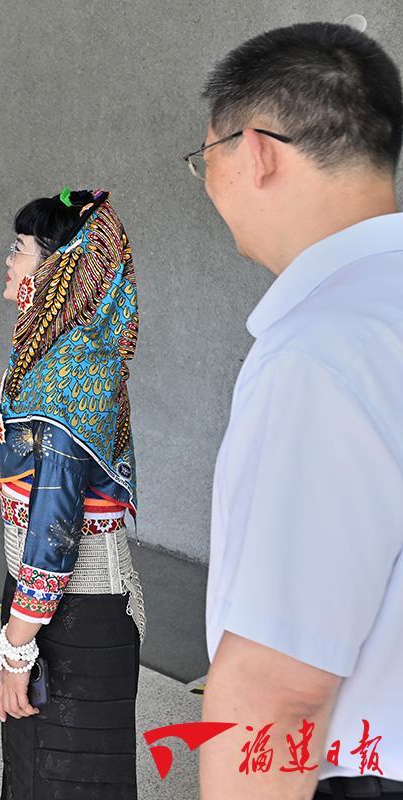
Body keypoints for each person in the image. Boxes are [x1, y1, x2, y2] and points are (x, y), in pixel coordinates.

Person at [195, 22, 403, 800]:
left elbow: (278, 690)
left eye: (204, 161)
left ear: (256, 151)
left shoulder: (321, 354)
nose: (208, 185)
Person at [0, 188, 144, 800]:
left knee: (62, 778)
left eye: (20, 248)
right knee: (36, 771)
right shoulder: (58, 352)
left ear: (61, 269)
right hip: (47, 605)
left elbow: (55, 531)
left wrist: (16, 650)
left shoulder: (69, 371)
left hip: (77, 615)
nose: (9, 259)